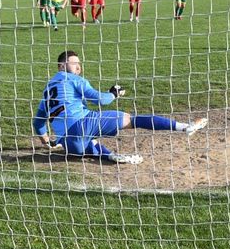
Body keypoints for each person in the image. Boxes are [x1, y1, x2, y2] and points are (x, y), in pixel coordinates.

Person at [33, 50, 208, 164]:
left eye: (79, 63)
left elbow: (38, 123)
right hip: (82, 125)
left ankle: (110, 155)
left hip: (70, 145)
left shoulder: (47, 90)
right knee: (131, 119)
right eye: (74, 62)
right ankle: (185, 127)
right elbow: (101, 100)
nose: (78, 66)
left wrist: (48, 143)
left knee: (91, 140)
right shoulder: (73, 79)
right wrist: (114, 94)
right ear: (61, 66)